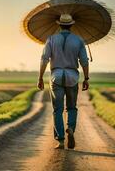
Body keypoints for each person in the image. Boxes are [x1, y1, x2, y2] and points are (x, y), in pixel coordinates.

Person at [37, 14, 89, 149]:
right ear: (72, 25)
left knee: (57, 110)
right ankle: (70, 127)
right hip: (72, 77)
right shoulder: (78, 40)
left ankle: (60, 140)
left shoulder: (51, 39)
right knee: (71, 107)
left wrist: (40, 77)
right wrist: (86, 78)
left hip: (56, 77)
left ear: (58, 25)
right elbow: (84, 61)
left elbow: (44, 59)